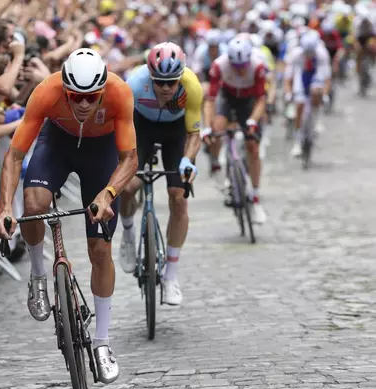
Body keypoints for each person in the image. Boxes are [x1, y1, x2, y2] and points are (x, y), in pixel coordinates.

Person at [0, 48, 138, 385]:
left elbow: (129, 158)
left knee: (100, 250)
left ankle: (102, 342)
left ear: (102, 90)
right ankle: (39, 275)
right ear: (65, 88)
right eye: (76, 97)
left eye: (91, 97)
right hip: (57, 144)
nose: (84, 104)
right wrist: (4, 208)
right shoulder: (46, 92)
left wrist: (108, 193)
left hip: (101, 153)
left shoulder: (119, 92)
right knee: (33, 205)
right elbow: (14, 157)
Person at [119, 42, 202, 306]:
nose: (166, 88)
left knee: (178, 197)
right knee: (129, 187)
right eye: (159, 82)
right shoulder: (133, 85)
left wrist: (187, 161)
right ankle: (129, 233)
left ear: (181, 77)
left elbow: (194, 134)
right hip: (141, 130)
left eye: (172, 82)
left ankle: (171, 277)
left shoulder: (192, 87)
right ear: (150, 75)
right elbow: (123, 131)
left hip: (174, 134)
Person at [201, 38, 267, 224]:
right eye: (236, 66)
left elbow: (261, 100)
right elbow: (210, 101)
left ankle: (254, 194)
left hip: (248, 102)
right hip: (227, 99)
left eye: (243, 65)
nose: (240, 70)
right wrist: (207, 127)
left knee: (253, 145)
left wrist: (253, 121)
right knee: (218, 128)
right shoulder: (219, 66)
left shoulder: (258, 66)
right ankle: (216, 163)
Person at [283, 31, 331, 157]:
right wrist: (288, 93)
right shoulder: (295, 55)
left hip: (315, 75)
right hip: (301, 77)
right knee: (299, 106)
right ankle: (298, 142)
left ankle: (316, 120)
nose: (309, 55)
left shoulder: (322, 54)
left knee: (316, 92)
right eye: (307, 52)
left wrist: (325, 94)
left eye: (311, 52)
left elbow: (326, 78)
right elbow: (289, 77)